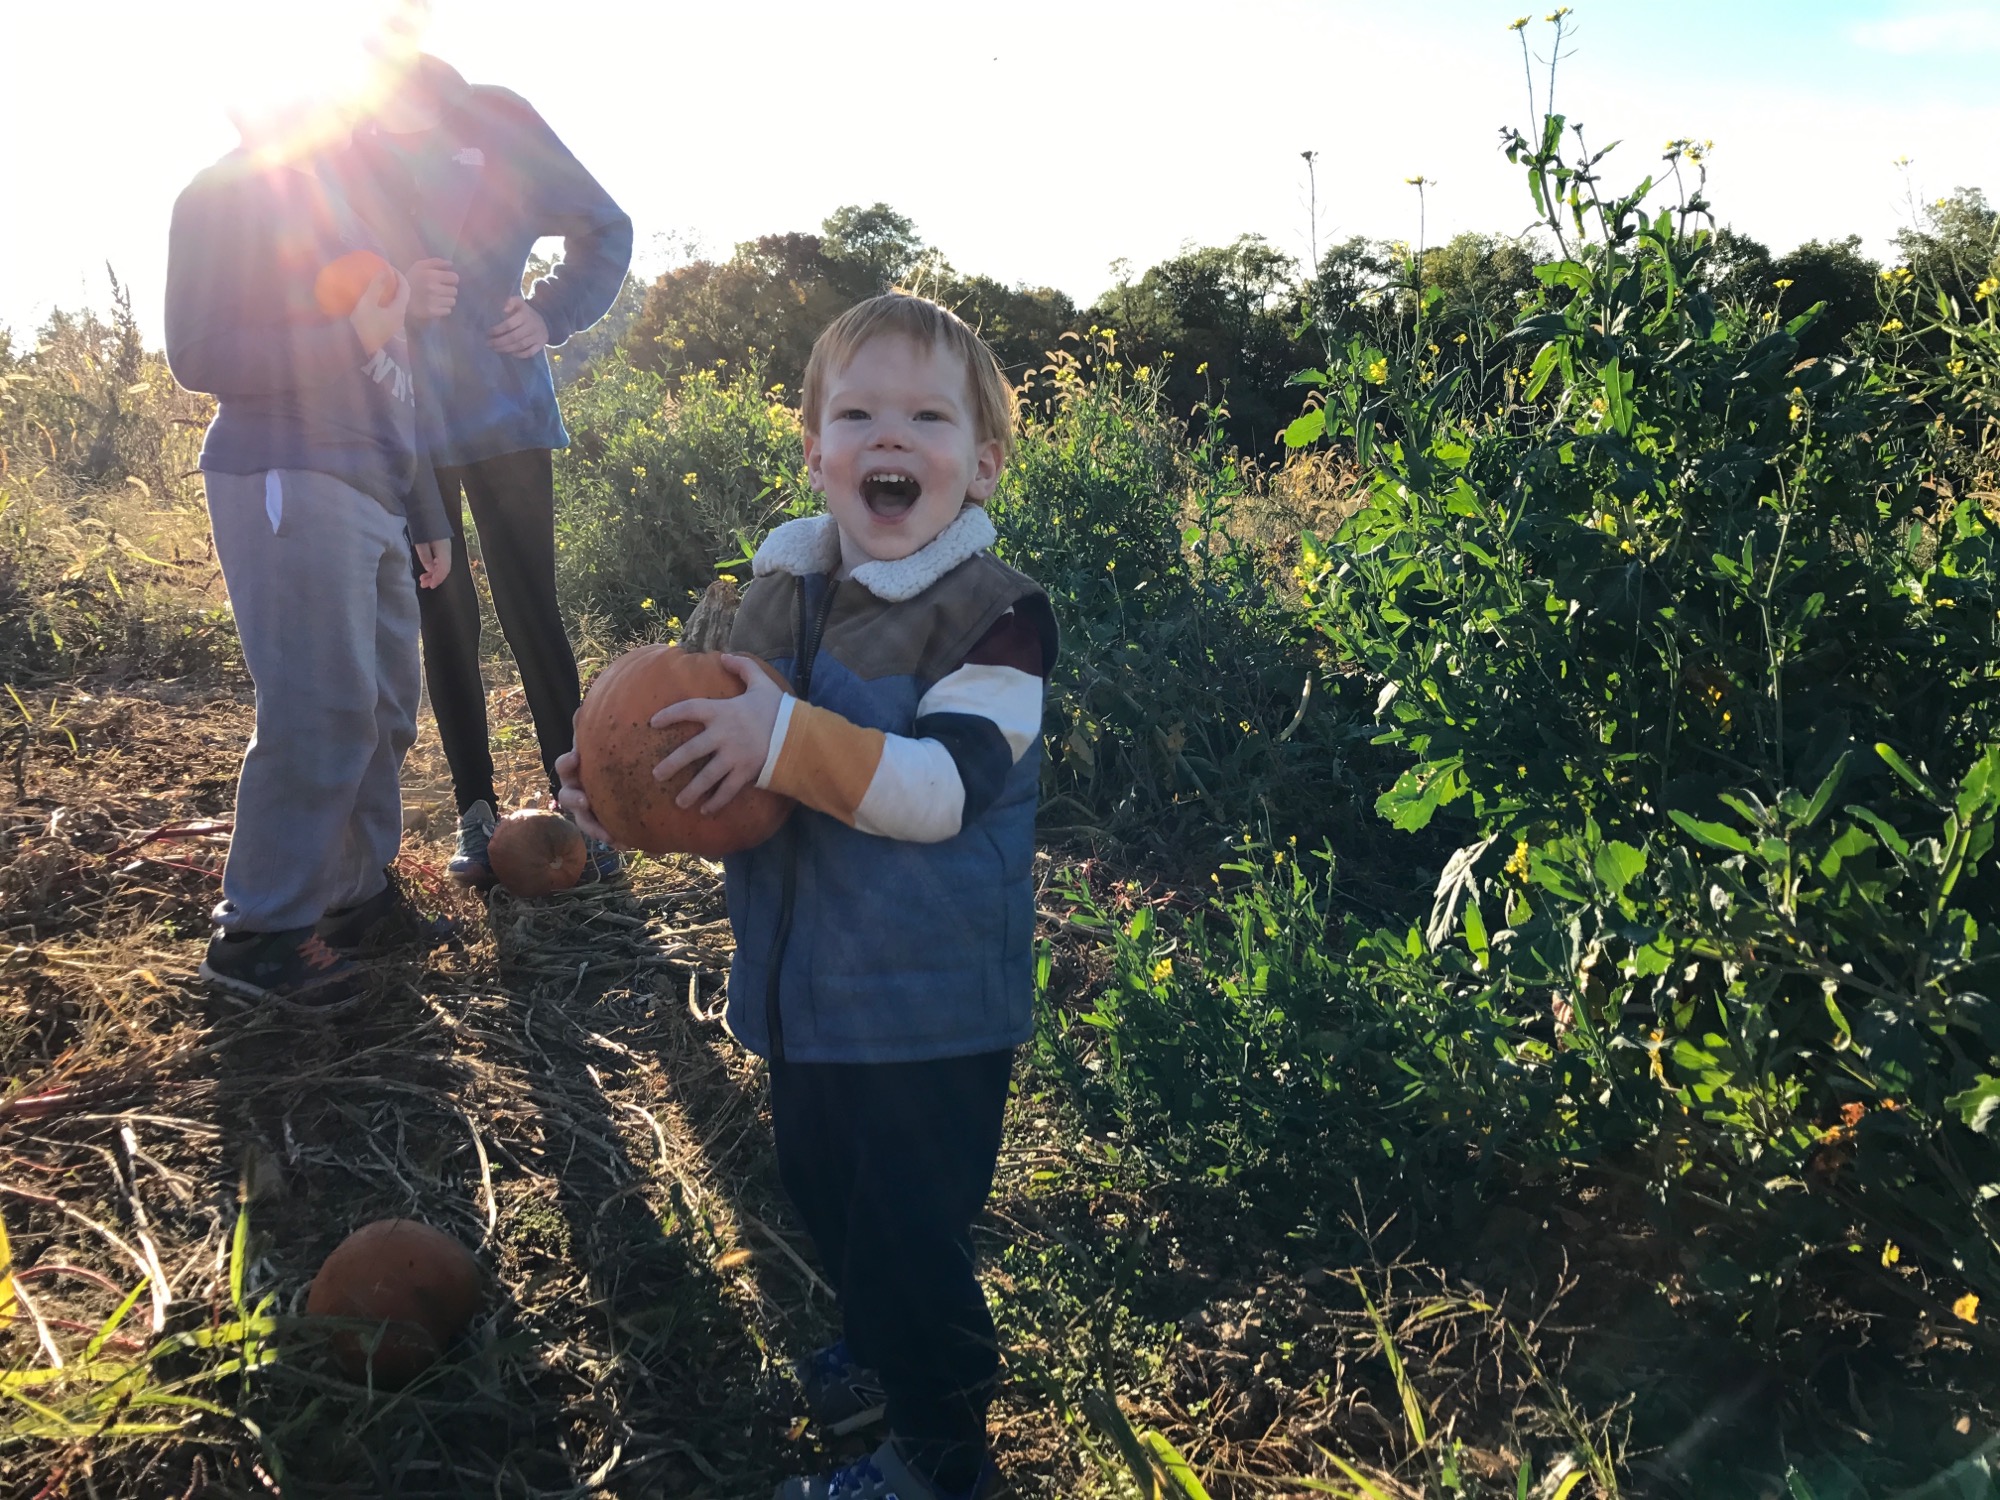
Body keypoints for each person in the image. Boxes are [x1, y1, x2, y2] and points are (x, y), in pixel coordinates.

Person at [559, 293, 1054, 1500]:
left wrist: (780, 734)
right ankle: (876, 1353)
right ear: (816, 452)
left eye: (928, 416)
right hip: (804, 992)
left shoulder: (997, 615)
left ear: (982, 463)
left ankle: (938, 1447)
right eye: (859, 413)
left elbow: (942, 791)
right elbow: (746, 781)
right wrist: (634, 790)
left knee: (905, 1236)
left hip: (929, 1007)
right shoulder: (783, 589)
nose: (892, 438)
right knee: (822, 1194)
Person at [165, 88, 454, 1009]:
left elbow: (397, 383)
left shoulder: (352, 219)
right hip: (286, 467)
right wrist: (348, 336)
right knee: (319, 705)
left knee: (383, 710)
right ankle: (260, 934)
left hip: (374, 491)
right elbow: (199, 353)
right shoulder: (224, 196)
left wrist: (428, 509)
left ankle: (353, 898)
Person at [353, 46, 632, 886]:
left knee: (531, 608)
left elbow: (604, 226)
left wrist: (550, 312)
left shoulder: (498, 117)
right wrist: (395, 288)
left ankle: (582, 809)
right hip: (406, 413)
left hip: (506, 405)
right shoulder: (344, 147)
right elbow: (316, 271)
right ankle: (477, 817)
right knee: (445, 617)